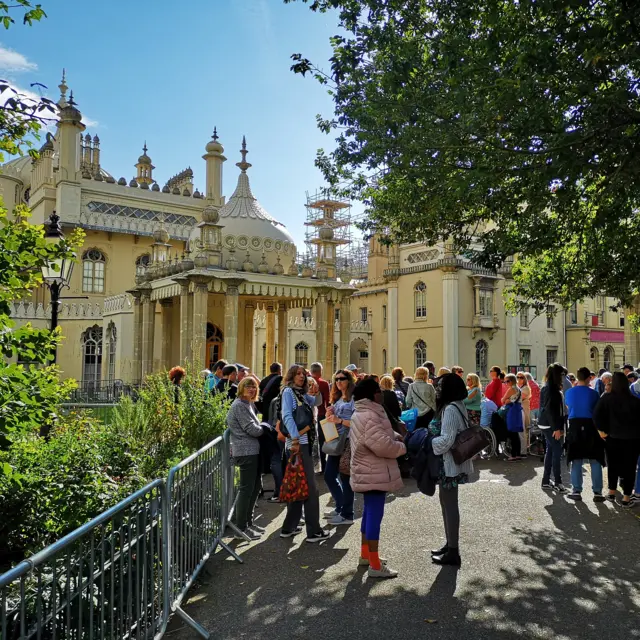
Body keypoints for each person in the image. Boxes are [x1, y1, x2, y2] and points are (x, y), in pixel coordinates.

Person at [350, 377, 406, 579]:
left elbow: (377, 436)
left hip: (368, 470)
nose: (382, 393)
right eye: (379, 391)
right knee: (375, 515)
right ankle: (374, 564)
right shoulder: (370, 415)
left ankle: (366, 555)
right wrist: (401, 446)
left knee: (369, 513)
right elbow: (381, 445)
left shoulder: (364, 412)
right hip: (373, 470)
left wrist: (394, 435)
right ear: (373, 394)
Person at [279, 365, 329, 542]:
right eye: (298, 374)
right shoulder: (289, 393)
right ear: (291, 376)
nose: (301, 377)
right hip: (299, 445)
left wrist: (316, 392)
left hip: (303, 444)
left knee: (297, 484)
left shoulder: (301, 393)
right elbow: (287, 416)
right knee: (311, 488)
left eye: (303, 374)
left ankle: (289, 527)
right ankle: (314, 531)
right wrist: (294, 440)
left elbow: (316, 402)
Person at [430, 373, 474, 567]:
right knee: (447, 503)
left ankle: (453, 550)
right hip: (452, 462)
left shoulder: (450, 409)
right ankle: (450, 545)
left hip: (449, 464)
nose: (437, 390)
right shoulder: (458, 405)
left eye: (440, 387)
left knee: (449, 505)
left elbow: (446, 440)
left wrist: (428, 441)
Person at [593, 371, 640, 507]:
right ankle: (626, 496)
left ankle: (612, 491)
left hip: (612, 437)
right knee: (630, 467)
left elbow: (596, 415)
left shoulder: (606, 398)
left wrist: (601, 431)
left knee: (613, 465)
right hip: (633, 439)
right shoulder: (635, 401)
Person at [226, 377, 264, 540]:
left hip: (251, 450)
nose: (251, 389)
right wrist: (265, 428)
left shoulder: (248, 403)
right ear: (241, 388)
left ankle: (248, 522)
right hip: (245, 451)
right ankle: (241, 528)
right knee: (246, 489)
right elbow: (253, 430)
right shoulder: (239, 405)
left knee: (256, 486)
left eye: (254, 386)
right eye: (248, 386)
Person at [564, 367, 605, 502]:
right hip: (591, 425)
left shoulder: (569, 392)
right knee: (595, 459)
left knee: (576, 459)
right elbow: (597, 410)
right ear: (589, 378)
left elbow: (569, 407)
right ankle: (597, 492)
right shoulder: (593, 394)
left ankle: (576, 490)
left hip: (575, 425)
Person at [324, 369, 357, 526]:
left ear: (349, 380)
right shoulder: (337, 398)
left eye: (342, 379)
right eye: (336, 379)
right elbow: (334, 420)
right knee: (329, 475)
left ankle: (347, 513)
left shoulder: (354, 399)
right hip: (336, 441)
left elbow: (358, 422)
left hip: (348, 441)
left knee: (345, 478)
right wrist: (329, 415)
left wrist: (339, 420)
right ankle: (340, 507)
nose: (338, 382)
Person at [539, 364, 567, 492]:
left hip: (547, 423)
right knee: (556, 452)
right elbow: (550, 410)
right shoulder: (551, 389)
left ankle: (546, 480)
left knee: (550, 451)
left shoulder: (548, 387)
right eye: (562, 374)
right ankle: (557, 482)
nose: (563, 377)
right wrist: (556, 428)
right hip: (551, 425)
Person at [310, 362, 331, 473]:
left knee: (312, 440)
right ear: (320, 371)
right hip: (322, 414)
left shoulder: (307, 382)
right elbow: (327, 400)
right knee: (323, 440)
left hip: (310, 415)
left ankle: (312, 465)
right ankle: (323, 464)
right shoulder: (323, 383)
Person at [502, 374, 524, 461]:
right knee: (515, 434)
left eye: (507, 381)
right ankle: (517, 454)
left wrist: (507, 400)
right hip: (517, 411)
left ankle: (513, 455)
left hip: (512, 411)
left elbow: (503, 400)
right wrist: (507, 400)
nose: (506, 383)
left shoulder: (511, 389)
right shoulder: (518, 388)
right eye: (505, 381)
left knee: (512, 433)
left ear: (512, 381)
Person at [517, 371, 531, 453]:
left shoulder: (525, 388)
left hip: (524, 411)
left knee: (524, 430)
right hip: (520, 411)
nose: (519, 379)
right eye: (517, 377)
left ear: (524, 379)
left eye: (521, 377)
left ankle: (524, 451)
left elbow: (518, 398)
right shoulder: (519, 388)